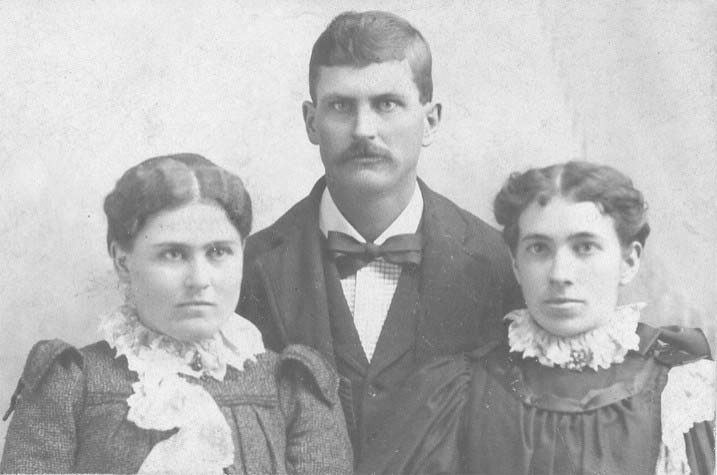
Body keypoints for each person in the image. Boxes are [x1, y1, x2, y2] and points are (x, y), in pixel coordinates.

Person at [238, 10, 522, 462]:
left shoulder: (495, 260)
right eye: (340, 106)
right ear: (311, 122)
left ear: (431, 121)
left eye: (387, 104)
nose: (363, 130)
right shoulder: (251, 266)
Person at [0, 154, 352, 474]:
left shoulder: (294, 387)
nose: (199, 280)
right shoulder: (70, 385)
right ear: (123, 261)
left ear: (242, 253)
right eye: (172, 254)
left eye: (218, 252)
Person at [359, 161, 715, 475]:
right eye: (539, 249)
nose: (560, 273)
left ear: (629, 261)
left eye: (585, 247)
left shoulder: (681, 394)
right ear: (516, 264)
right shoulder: (459, 392)